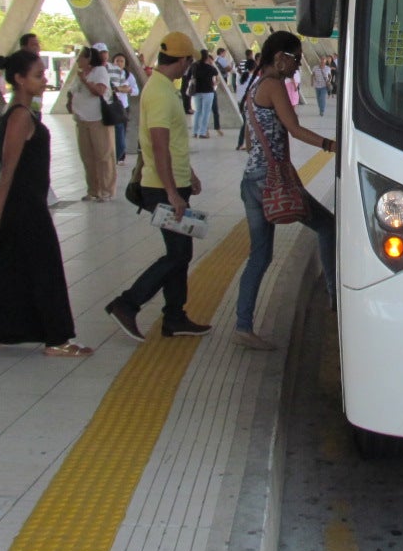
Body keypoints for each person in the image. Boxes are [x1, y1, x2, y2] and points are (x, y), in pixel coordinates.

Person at [0, 50, 92, 358]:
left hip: (23, 202)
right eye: (37, 75)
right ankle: (58, 338)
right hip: (23, 205)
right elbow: (8, 168)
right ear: (19, 79)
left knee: (3, 267)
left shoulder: (24, 112)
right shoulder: (19, 115)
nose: (44, 79)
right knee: (44, 267)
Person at [104, 32, 212, 342]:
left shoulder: (163, 88)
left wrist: (188, 174)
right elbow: (159, 146)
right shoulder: (162, 94)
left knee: (180, 252)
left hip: (173, 181)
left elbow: (172, 145)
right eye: (187, 61)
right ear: (181, 61)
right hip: (162, 187)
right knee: (177, 255)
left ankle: (175, 318)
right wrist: (173, 193)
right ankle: (127, 304)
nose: (188, 66)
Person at [233, 31, 337, 349]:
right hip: (272, 180)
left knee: (260, 256)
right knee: (327, 226)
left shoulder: (253, 86)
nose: (296, 66)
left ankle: (243, 326)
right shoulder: (274, 85)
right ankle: (334, 297)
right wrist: (331, 145)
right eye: (295, 58)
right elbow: (292, 127)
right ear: (280, 57)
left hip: (252, 179)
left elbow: (252, 139)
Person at [68, 44, 116, 201]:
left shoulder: (99, 71)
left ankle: (106, 190)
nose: (77, 60)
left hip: (98, 119)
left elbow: (99, 91)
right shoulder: (79, 73)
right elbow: (72, 91)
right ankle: (93, 189)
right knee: (87, 156)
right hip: (81, 119)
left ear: (88, 58)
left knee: (103, 155)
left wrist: (85, 81)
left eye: (80, 57)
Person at [109, 52, 138, 163]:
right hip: (110, 106)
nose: (119, 63)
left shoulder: (128, 75)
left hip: (122, 107)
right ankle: (113, 154)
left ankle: (120, 155)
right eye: (117, 61)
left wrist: (126, 90)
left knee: (121, 131)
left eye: (122, 61)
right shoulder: (108, 74)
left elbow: (135, 91)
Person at [190, 49, 219, 138]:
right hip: (208, 91)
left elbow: (191, 76)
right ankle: (202, 132)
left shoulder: (194, 66)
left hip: (197, 91)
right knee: (206, 112)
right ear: (207, 57)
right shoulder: (210, 68)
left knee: (198, 112)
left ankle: (195, 131)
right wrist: (211, 62)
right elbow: (216, 74)